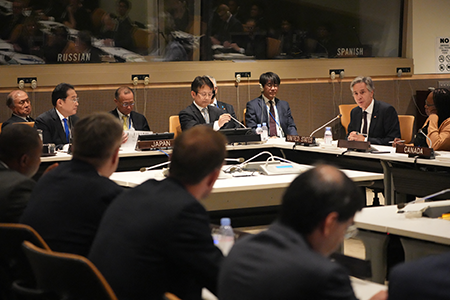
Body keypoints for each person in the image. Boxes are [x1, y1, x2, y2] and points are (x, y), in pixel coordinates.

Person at [88, 126, 225, 300]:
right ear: (214, 176)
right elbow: (222, 280)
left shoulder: (136, 193)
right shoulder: (185, 211)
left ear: (171, 159)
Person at [218, 165, 387, 300]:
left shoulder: (239, 251)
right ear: (329, 223)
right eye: (346, 228)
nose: (342, 236)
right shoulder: (325, 276)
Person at [20, 113, 124, 257]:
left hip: (34, 270)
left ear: (73, 148)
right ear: (115, 155)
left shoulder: (48, 177)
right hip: (77, 275)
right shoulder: (108, 194)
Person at [0, 125, 41, 223]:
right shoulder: (19, 187)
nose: (39, 161)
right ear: (24, 160)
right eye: (39, 156)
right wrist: (42, 190)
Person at [347, 76, 401, 145]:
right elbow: (349, 134)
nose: (359, 97)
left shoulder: (386, 111)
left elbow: (392, 140)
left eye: (362, 92)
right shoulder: (355, 112)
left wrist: (365, 140)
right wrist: (351, 137)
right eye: (356, 93)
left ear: (371, 93)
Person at [245, 72, 298, 137]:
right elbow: (251, 129)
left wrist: (294, 139)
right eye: (269, 85)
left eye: (275, 85)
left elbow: (291, 126)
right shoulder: (253, 105)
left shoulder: (284, 105)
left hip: (283, 142)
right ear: (262, 87)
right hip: (265, 143)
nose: (273, 89)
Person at [35, 83, 79, 147]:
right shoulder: (44, 121)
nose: (77, 104)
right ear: (60, 102)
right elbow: (45, 147)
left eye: (76, 99)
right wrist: (67, 147)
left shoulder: (76, 120)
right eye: (73, 99)